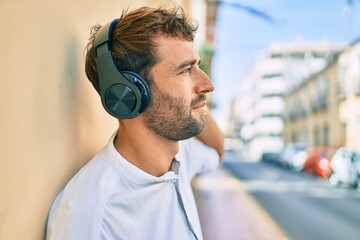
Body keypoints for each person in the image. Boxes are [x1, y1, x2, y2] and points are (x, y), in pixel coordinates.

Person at [46, 5, 224, 240]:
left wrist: (195, 102)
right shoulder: (90, 218)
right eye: (185, 70)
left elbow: (216, 150)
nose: (208, 84)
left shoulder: (180, 158)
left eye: (197, 65)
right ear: (129, 93)